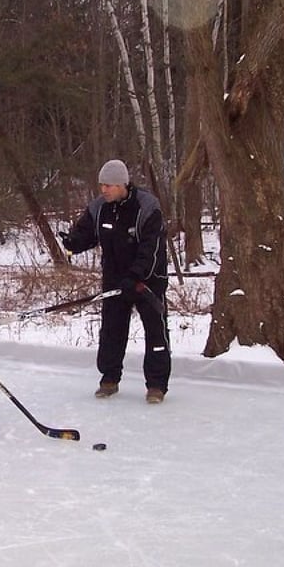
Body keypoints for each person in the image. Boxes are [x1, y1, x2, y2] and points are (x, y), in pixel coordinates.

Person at [61, 159, 171, 403]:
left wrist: (136, 277)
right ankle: (109, 378)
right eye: (101, 185)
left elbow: (151, 250)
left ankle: (156, 385)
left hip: (148, 281)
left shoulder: (146, 207)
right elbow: (87, 234)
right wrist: (73, 242)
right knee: (111, 330)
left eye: (108, 185)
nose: (103, 190)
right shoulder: (100, 207)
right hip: (115, 279)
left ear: (122, 184)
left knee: (156, 331)